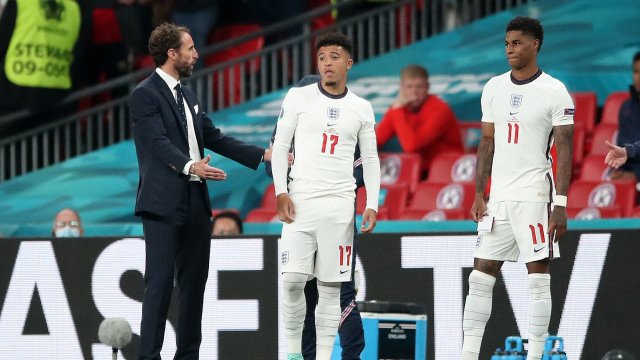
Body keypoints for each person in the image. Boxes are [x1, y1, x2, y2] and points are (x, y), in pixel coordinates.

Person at [130, 22, 270, 359]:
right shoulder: (144, 94)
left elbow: (215, 137)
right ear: (172, 53)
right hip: (163, 203)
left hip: (195, 200)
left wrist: (262, 154)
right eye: (190, 48)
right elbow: (158, 144)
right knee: (160, 285)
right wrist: (191, 166)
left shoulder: (188, 95)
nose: (196, 54)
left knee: (194, 286)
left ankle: (188, 355)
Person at [462, 17, 574, 360]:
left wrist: (561, 204)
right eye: (507, 43)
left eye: (517, 43)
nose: (510, 49)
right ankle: (467, 354)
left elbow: (565, 150)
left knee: (537, 275)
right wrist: (480, 193)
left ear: (535, 44)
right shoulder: (493, 87)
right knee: (480, 274)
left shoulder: (555, 90)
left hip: (535, 196)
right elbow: (487, 143)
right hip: (499, 199)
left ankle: (536, 354)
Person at [271, 33, 380, 360]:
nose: (327, 62)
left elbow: (371, 159)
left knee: (331, 289)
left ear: (348, 63)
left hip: (340, 209)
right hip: (300, 203)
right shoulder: (297, 97)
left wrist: (372, 203)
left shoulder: (361, 107)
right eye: (322, 57)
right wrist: (280, 191)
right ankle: (292, 354)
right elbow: (279, 147)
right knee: (292, 280)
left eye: (334, 56)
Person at [375, 64, 463, 176]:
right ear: (402, 88)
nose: (414, 92)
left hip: (450, 170)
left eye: (419, 87)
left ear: (427, 87)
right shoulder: (399, 109)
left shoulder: (439, 109)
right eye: (409, 87)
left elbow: (411, 146)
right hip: (419, 171)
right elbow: (376, 138)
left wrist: (397, 111)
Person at [610, 51, 640, 180]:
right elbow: (622, 145)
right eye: (636, 71)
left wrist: (636, 175)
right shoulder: (626, 108)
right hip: (626, 171)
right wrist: (619, 170)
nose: (639, 77)